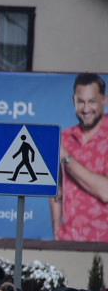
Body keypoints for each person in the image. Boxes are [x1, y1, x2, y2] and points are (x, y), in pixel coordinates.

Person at [51, 73, 108, 241]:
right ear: (73, 102)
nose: (86, 109)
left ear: (104, 100)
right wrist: (57, 230)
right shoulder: (65, 138)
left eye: (92, 101)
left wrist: (67, 159)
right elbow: (56, 187)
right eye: (80, 102)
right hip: (69, 241)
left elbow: (105, 191)